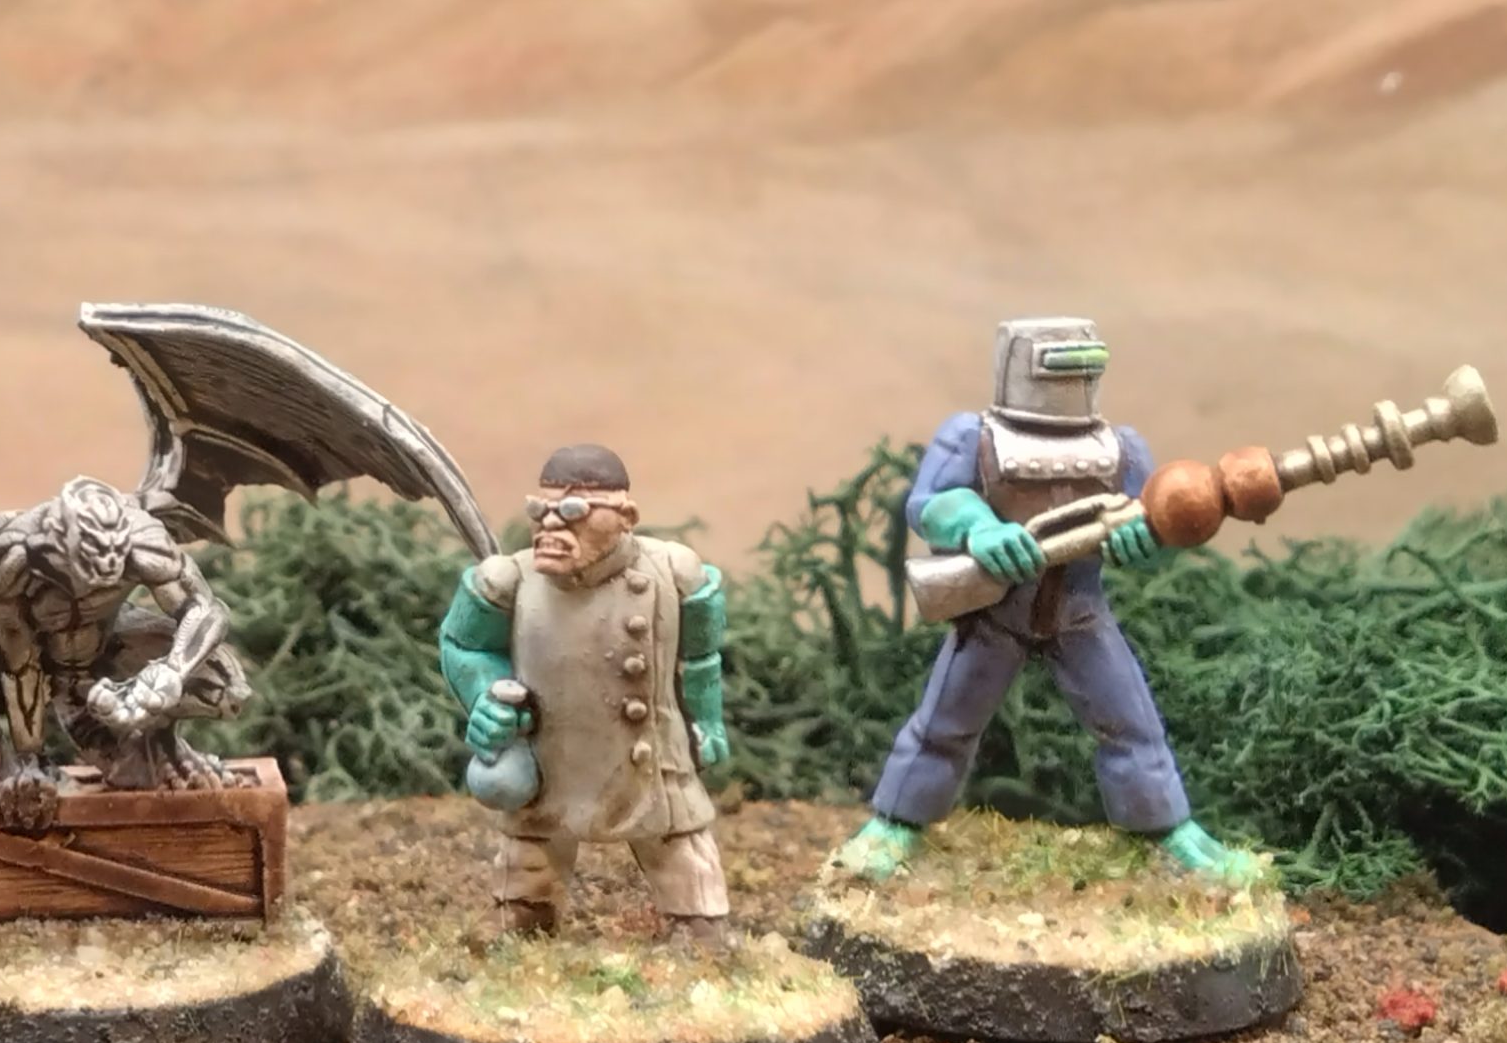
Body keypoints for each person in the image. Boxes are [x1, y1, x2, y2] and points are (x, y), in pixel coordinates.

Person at [834, 317, 1260, 886]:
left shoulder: (1120, 448)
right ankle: (894, 825)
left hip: (1079, 612)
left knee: (1132, 725)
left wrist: (1145, 545)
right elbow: (930, 503)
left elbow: (1155, 529)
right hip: (996, 612)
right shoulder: (973, 437)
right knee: (945, 725)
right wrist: (978, 527)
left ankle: (1168, 832)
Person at [439, 444, 733, 941]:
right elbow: (464, 645)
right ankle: (524, 912)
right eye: (542, 510)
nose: (552, 524)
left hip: (650, 754)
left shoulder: (675, 574)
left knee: (677, 839)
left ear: (625, 517)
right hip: (549, 747)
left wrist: (707, 721)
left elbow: (701, 657)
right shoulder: (508, 580)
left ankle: (698, 922)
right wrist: (486, 697)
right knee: (532, 842)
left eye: (574, 511)